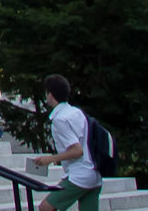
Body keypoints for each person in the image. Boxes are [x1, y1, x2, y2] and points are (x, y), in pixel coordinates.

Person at [32, 73, 102, 211]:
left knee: (45, 208)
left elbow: (77, 150)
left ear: (50, 95)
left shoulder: (60, 120)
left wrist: (51, 159)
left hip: (79, 176)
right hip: (94, 174)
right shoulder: (76, 112)